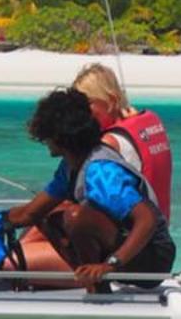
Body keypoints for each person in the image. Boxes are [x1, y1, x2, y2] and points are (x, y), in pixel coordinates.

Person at [0, 86, 175, 289]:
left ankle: (97, 285)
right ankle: (87, 277)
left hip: (152, 258)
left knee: (75, 217)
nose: (45, 142)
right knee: (46, 215)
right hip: (121, 248)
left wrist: (110, 264)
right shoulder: (70, 165)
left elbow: (147, 220)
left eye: (47, 137)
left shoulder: (100, 172)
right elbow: (28, 214)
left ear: (61, 137)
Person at [73, 61, 174, 223]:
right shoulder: (149, 122)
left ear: (111, 101)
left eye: (87, 103)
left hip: (136, 233)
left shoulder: (109, 143)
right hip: (161, 228)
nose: (80, 111)